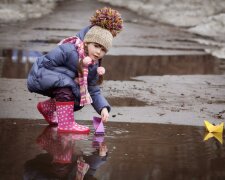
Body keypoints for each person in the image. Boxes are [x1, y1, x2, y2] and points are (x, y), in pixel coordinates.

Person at [27, 7, 123, 133]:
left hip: (58, 82)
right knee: (69, 85)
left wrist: (103, 108)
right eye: (96, 46)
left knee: (82, 97)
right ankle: (66, 124)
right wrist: (72, 77)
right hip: (40, 76)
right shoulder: (69, 50)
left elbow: (93, 90)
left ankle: (47, 108)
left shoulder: (93, 65)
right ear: (88, 42)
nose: (99, 52)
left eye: (103, 50)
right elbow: (46, 64)